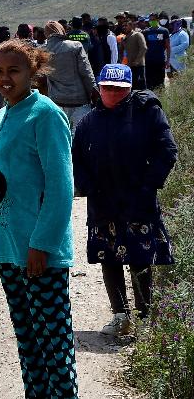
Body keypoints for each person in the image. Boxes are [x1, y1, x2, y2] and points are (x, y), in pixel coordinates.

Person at [0, 41, 77, 398]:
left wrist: (42, 244)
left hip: (40, 254)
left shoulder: (45, 114)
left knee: (55, 347)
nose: (5, 79)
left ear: (32, 72)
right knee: (29, 345)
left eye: (14, 71)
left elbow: (62, 187)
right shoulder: (4, 113)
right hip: (9, 247)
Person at [72, 64, 177, 339]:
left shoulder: (148, 112)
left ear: (129, 89)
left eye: (119, 89)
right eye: (107, 88)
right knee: (109, 257)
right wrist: (89, 188)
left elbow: (166, 150)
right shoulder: (88, 122)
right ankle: (120, 315)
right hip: (103, 204)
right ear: (99, 89)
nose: (112, 94)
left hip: (138, 201)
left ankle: (143, 318)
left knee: (141, 258)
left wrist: (148, 185)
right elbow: (76, 161)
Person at [42, 21, 99, 130]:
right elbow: (86, 73)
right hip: (78, 102)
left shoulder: (43, 51)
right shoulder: (75, 46)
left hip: (56, 103)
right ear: (61, 30)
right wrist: (94, 93)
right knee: (80, 139)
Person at [142, 14, 171, 90]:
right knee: (149, 83)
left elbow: (168, 46)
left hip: (160, 61)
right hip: (148, 61)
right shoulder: (146, 32)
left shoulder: (164, 31)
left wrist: (168, 61)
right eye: (150, 20)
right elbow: (143, 48)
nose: (152, 21)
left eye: (153, 20)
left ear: (157, 20)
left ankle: (161, 99)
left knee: (160, 83)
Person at [123, 17, 148, 90]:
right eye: (123, 26)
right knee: (132, 87)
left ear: (131, 26)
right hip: (129, 66)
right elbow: (121, 50)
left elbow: (144, 48)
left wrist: (137, 61)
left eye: (126, 25)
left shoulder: (138, 35)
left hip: (139, 66)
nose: (124, 27)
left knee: (141, 87)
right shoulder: (125, 38)